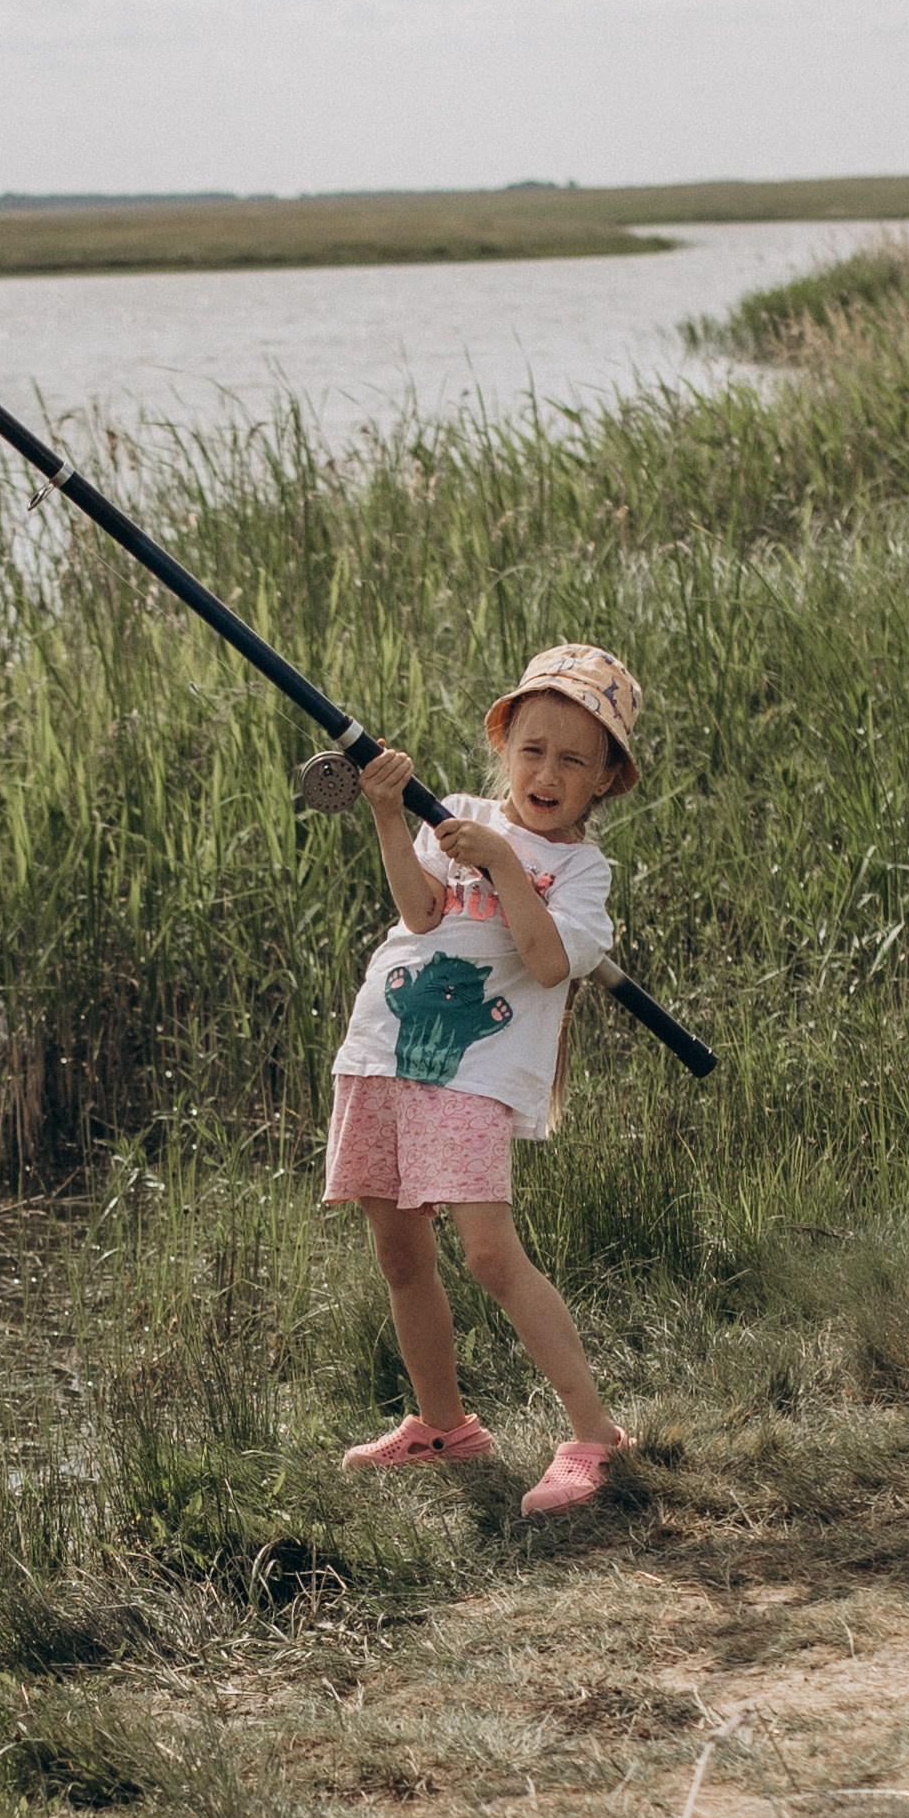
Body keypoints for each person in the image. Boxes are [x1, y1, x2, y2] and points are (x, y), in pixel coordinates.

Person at [325, 643, 642, 1519]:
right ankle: (443, 1424)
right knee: (399, 1253)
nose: (547, 772)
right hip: (382, 1054)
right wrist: (392, 814)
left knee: (492, 1256)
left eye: (574, 759)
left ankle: (593, 1435)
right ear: (505, 747)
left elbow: (546, 964)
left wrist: (504, 860)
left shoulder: (580, 872)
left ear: (605, 779)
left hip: (473, 1078)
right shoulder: (453, 814)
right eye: (533, 749)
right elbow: (420, 913)